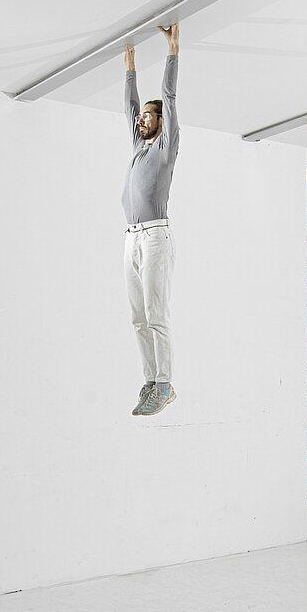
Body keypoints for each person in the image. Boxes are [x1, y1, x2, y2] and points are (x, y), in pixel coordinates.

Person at [122, 23, 179, 416]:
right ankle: (148, 381)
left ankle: (165, 385)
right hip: (131, 238)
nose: (141, 120)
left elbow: (170, 101)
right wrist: (130, 67)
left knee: (156, 314)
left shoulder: (164, 151)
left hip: (156, 236)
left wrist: (172, 53)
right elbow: (129, 107)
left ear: (160, 124)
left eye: (148, 116)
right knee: (138, 317)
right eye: (141, 116)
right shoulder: (138, 148)